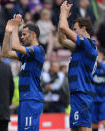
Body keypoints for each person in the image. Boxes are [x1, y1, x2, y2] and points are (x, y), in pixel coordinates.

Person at [58, 1, 98, 131]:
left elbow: (64, 29)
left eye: (75, 29)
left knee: (83, 127)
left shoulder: (88, 44)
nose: (73, 32)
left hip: (83, 92)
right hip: (77, 93)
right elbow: (62, 40)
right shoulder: (79, 48)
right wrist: (61, 16)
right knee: (76, 128)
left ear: (84, 29)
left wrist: (63, 13)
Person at [2, 14, 45, 131]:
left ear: (34, 35)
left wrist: (16, 27)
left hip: (32, 98)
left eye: (24, 34)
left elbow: (15, 46)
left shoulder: (38, 50)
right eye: (21, 35)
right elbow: (5, 53)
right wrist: (7, 33)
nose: (22, 37)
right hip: (25, 99)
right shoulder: (25, 55)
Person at [92, 48, 105, 131]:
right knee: (94, 121)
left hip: (103, 99)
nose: (98, 57)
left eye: (99, 55)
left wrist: (100, 62)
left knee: (104, 120)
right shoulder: (92, 66)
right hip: (93, 99)